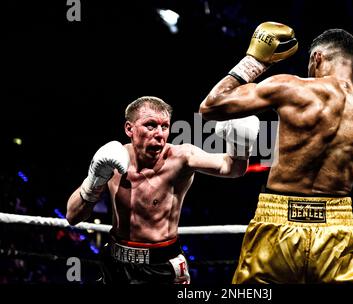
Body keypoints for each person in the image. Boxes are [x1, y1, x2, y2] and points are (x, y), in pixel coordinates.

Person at [199, 23, 353, 283]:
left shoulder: (291, 87)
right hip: (338, 228)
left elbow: (210, 106)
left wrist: (254, 61)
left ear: (317, 58)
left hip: (278, 222)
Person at [66, 96, 260, 284]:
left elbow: (232, 168)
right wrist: (95, 179)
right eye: (150, 125)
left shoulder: (181, 158)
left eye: (165, 126)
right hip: (116, 261)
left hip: (162, 264)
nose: (159, 133)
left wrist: (240, 145)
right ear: (129, 128)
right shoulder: (112, 159)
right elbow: (72, 216)